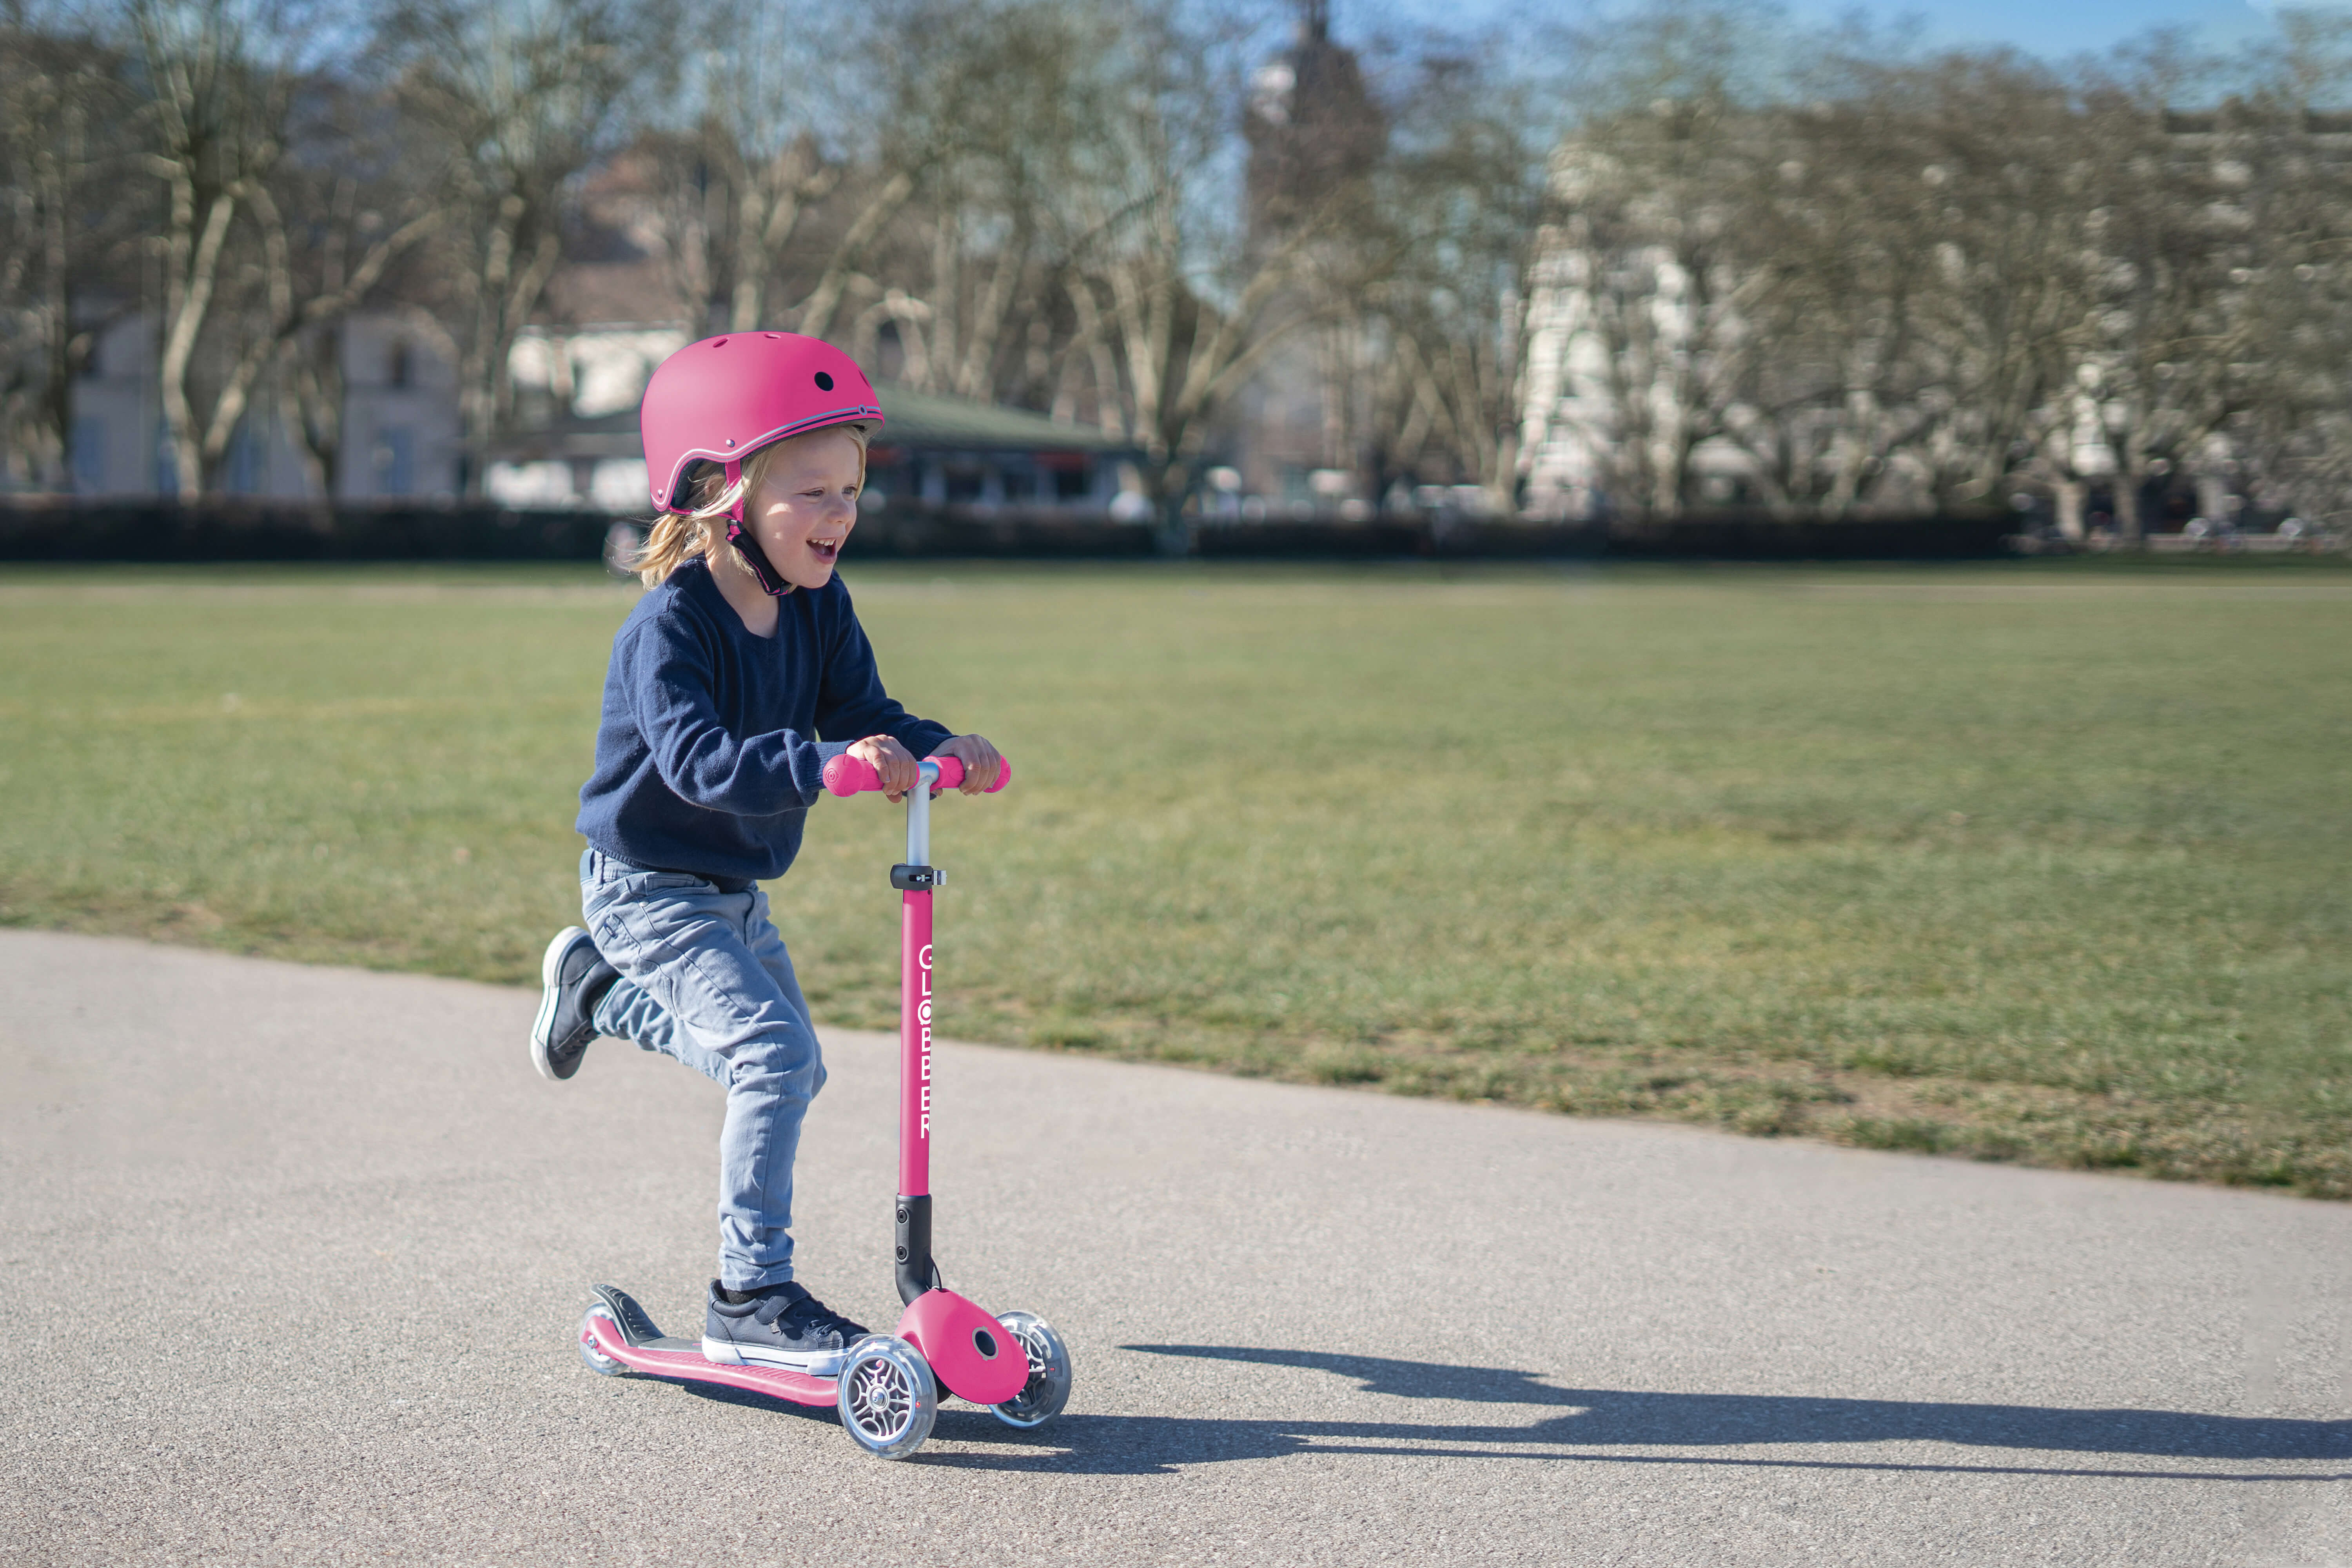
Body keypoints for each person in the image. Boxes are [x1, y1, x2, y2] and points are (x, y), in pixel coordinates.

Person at [528, 332, 1003, 1376]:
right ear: (718, 492)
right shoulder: (669, 629)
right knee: (773, 1057)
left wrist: (941, 749)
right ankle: (748, 1293)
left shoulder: (819, 609)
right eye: (813, 492)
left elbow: (866, 711)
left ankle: (596, 997)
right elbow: (699, 762)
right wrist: (827, 765)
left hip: (735, 886)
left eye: (851, 489)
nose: (841, 514)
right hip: (648, 885)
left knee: (791, 1063)